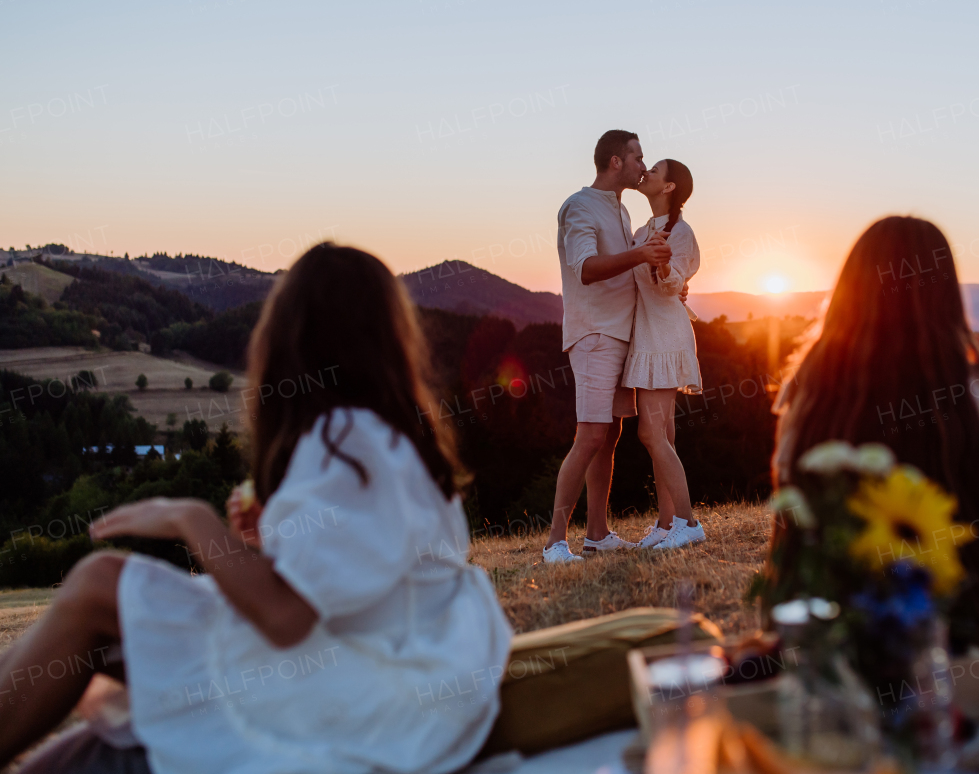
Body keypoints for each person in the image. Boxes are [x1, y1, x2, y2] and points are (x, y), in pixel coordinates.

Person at [0, 244, 513, 774]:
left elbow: (287, 619)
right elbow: (357, 581)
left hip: (364, 698)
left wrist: (191, 521)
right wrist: (269, 545)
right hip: (393, 688)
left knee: (100, 584)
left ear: (289, 338)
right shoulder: (389, 441)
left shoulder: (347, 438)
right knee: (111, 648)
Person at [768, 216, 979, 664]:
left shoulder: (810, 390)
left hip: (831, 628)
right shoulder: (971, 390)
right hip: (970, 630)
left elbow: (791, 516)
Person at [544, 130, 684, 563]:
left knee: (609, 436)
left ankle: (598, 534)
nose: (644, 165)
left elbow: (630, 274)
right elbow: (586, 268)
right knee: (589, 436)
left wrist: (671, 286)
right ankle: (554, 542)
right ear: (616, 162)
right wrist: (642, 254)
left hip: (624, 334)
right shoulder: (580, 205)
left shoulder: (620, 213)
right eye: (638, 157)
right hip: (595, 335)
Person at [622, 159, 706, 550]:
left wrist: (665, 264)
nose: (648, 173)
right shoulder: (642, 231)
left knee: (650, 433)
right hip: (647, 334)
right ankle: (666, 522)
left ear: (669, 187)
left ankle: (688, 523)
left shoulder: (682, 232)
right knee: (664, 435)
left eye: (655, 169)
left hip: (666, 337)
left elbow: (674, 285)